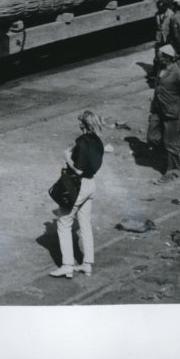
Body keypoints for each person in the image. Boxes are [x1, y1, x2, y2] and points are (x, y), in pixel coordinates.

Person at [49, 111, 105, 278]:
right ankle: (87, 264)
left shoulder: (82, 142)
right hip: (91, 184)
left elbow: (78, 169)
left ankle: (67, 265)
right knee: (85, 224)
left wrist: (68, 157)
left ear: (83, 124)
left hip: (78, 186)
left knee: (64, 222)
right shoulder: (98, 141)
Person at [147, 44, 180, 184]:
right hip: (158, 110)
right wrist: (153, 107)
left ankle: (171, 171)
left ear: (167, 58)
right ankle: (175, 153)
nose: (157, 58)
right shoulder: (161, 70)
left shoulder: (178, 73)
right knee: (152, 137)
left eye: (160, 56)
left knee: (170, 142)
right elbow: (157, 89)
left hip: (172, 113)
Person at [152, 0, 173, 79]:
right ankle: (156, 71)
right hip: (159, 37)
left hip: (167, 37)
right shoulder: (157, 14)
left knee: (167, 55)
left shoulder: (171, 14)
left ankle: (168, 72)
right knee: (157, 54)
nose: (159, 10)